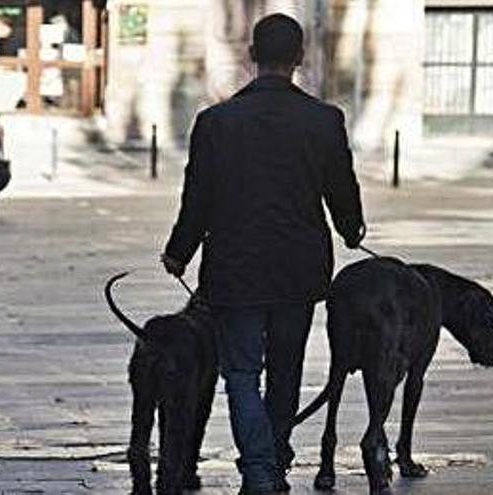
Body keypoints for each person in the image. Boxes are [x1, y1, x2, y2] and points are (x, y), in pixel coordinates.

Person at [161, 13, 365, 495]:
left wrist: (178, 252)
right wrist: (350, 229)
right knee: (286, 370)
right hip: (298, 271)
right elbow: (342, 190)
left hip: (235, 270)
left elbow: (199, 199)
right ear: (299, 58)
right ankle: (273, 458)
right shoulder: (323, 120)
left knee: (241, 373)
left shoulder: (215, 123)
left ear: (252, 56)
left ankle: (259, 468)